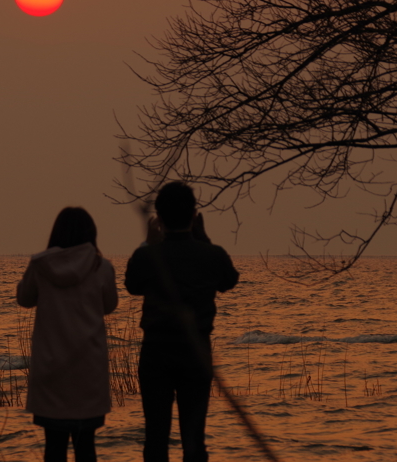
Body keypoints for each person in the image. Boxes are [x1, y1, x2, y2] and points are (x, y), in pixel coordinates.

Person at [125, 182, 239, 462]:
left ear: (159, 218)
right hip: (196, 352)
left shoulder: (147, 256)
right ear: (194, 215)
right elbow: (229, 280)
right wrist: (203, 238)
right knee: (194, 439)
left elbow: (132, 284)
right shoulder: (211, 255)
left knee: (155, 438)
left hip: (156, 352)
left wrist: (148, 244)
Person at [17, 207, 119, 462]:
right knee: (87, 448)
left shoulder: (41, 265)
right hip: (89, 372)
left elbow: (24, 298)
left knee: (54, 448)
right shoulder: (102, 267)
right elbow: (109, 306)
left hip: (51, 371)